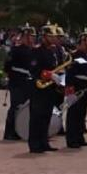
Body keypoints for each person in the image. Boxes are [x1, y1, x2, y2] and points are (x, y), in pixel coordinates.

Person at [28, 24, 60, 153]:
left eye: (54, 36)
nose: (53, 39)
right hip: (38, 87)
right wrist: (49, 74)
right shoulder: (37, 51)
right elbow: (34, 69)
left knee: (46, 116)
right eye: (50, 36)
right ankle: (34, 144)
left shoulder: (52, 52)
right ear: (44, 37)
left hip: (49, 89)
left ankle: (44, 142)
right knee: (37, 116)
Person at [3, 25, 36, 141]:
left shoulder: (32, 50)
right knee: (15, 106)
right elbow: (7, 66)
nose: (32, 39)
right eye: (30, 36)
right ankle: (9, 132)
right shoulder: (16, 50)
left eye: (33, 37)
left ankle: (20, 130)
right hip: (17, 81)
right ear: (24, 37)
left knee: (24, 107)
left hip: (27, 81)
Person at [64, 30, 87, 149]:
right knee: (74, 114)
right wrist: (70, 91)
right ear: (83, 41)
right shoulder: (73, 55)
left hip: (85, 87)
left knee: (81, 114)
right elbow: (70, 74)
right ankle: (71, 139)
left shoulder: (86, 55)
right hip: (76, 87)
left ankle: (79, 137)